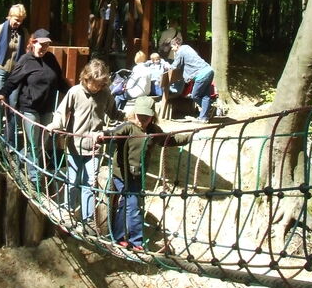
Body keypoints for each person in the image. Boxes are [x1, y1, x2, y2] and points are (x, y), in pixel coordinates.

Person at [104, 96, 190, 250]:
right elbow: (113, 134)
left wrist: (189, 137)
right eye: (140, 116)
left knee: (126, 204)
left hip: (137, 175)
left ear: (152, 116)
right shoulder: (128, 127)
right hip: (121, 174)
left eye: (147, 117)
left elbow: (168, 140)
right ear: (134, 114)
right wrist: (102, 137)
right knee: (133, 204)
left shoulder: (153, 131)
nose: (142, 120)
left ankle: (117, 236)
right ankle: (136, 242)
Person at [47, 59, 124, 228]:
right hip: (74, 145)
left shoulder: (105, 94)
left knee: (90, 183)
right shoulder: (75, 92)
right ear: (86, 78)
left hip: (95, 147)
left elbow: (113, 113)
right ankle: (68, 211)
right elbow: (62, 111)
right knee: (73, 181)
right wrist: (55, 125)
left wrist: (129, 118)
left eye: (100, 84)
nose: (96, 87)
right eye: (94, 84)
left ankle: (88, 219)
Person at [0, 29, 69, 186]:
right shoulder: (25, 60)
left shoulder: (51, 59)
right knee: (34, 144)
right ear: (34, 42)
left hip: (48, 108)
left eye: (47, 45)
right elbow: (13, 80)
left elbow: (60, 81)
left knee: (42, 143)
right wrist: (3, 94)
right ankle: (35, 180)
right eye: (41, 45)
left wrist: (72, 94)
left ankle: (20, 155)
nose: (44, 48)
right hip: (30, 108)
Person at [169, 36, 215, 122]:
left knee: (195, 95)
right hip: (209, 70)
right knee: (205, 96)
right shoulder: (187, 47)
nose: (172, 49)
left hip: (201, 74)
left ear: (176, 45)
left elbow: (175, 66)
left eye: (172, 47)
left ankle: (209, 110)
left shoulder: (180, 51)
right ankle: (204, 117)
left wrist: (167, 67)